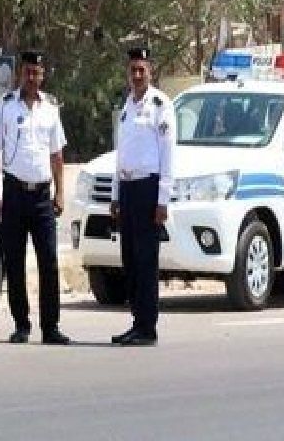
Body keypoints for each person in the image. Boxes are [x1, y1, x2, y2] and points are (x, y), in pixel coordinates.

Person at [0, 49, 70, 345]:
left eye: (37, 73)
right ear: (20, 74)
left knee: (48, 261)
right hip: (13, 193)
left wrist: (61, 191)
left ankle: (51, 327)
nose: (32, 78)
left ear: (43, 75)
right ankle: (21, 324)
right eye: (27, 73)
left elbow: (57, 155)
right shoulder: (6, 106)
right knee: (15, 260)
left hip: (41, 196)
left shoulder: (50, 108)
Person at [110, 46, 176, 346]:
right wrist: (115, 194)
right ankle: (137, 321)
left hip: (148, 189)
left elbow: (167, 154)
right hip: (127, 189)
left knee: (146, 260)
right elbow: (120, 153)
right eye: (133, 70)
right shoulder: (127, 106)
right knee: (130, 260)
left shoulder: (160, 105)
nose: (137, 75)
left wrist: (163, 199)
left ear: (151, 72)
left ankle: (148, 327)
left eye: (142, 70)